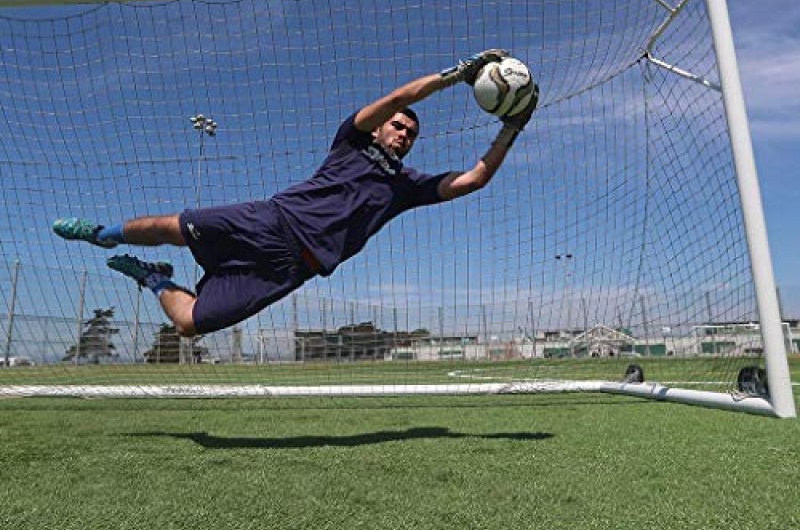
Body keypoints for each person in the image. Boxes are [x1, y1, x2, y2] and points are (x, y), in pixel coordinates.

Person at [53, 49, 538, 337]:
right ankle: (104, 233)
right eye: (398, 127)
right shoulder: (351, 143)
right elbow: (397, 99)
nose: (404, 132)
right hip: (270, 220)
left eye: (411, 133)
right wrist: (455, 76)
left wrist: (510, 129)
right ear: (379, 130)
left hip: (292, 268)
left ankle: (153, 278)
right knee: (170, 227)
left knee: (189, 324)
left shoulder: (405, 188)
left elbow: (475, 179)